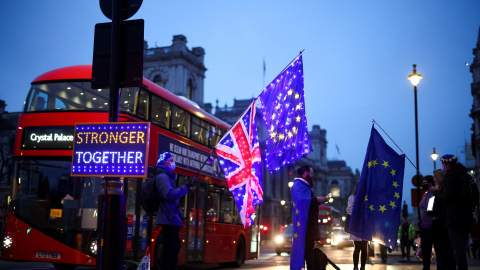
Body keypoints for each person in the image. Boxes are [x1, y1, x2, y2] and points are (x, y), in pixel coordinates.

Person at [155, 152, 193, 270]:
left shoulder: (167, 177)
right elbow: (169, 194)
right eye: (171, 160)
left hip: (171, 217)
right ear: (165, 162)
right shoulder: (163, 177)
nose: (173, 163)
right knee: (170, 247)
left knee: (175, 246)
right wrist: (184, 188)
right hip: (168, 218)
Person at [290, 165, 331, 270]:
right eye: (311, 174)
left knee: (309, 247)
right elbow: (303, 201)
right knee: (308, 248)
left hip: (308, 222)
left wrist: (320, 199)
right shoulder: (299, 185)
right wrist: (319, 200)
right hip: (305, 223)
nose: (312, 177)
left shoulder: (304, 186)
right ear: (305, 173)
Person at [441, 154, 472, 270]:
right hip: (466, 217)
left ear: (447, 165)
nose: (442, 166)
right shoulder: (464, 175)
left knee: (458, 248)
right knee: (462, 247)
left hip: (454, 218)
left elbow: (446, 198)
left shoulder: (450, 177)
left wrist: (436, 193)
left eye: (443, 164)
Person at [428, 168, 456, 270]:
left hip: (442, 223)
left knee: (444, 249)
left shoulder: (442, 191)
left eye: (435, 177)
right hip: (437, 223)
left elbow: (439, 206)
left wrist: (435, 194)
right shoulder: (436, 191)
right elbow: (430, 210)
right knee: (440, 249)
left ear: (439, 178)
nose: (434, 179)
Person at [346, 183, 368, 270]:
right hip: (356, 225)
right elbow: (349, 210)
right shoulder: (352, 197)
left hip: (366, 226)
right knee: (357, 248)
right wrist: (359, 214)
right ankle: (355, 267)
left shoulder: (368, 197)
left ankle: (363, 267)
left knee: (364, 249)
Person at [419, 175, 435, 270]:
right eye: (422, 183)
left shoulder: (432, 194)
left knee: (429, 249)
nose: (423, 185)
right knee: (425, 250)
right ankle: (426, 267)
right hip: (424, 226)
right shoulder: (424, 195)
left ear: (430, 183)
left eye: (425, 183)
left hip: (431, 226)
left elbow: (430, 210)